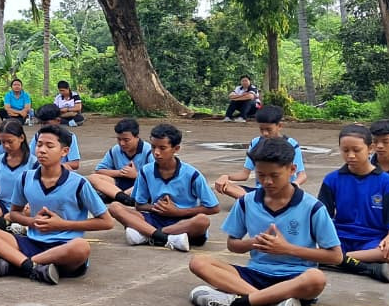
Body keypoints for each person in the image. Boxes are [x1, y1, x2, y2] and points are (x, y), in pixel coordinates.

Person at [189, 137, 342, 306]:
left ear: (292, 170)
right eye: (261, 175)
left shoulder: (313, 207)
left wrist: (287, 249)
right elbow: (232, 244)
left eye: (274, 175)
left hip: (294, 278)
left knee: (316, 278)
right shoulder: (247, 201)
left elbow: (336, 256)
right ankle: (273, 304)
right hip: (256, 274)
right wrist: (252, 243)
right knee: (199, 262)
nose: (267, 181)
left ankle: (240, 302)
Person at [0, 124, 112, 284]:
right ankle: (34, 267)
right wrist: (32, 222)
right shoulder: (25, 178)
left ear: (64, 152)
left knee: (81, 247)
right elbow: (14, 213)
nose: (42, 150)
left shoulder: (79, 184)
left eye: (49, 146)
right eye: (39, 144)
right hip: (32, 241)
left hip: (64, 246)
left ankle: (19, 264)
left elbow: (106, 222)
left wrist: (62, 224)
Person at [110, 123, 219, 252]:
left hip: (183, 222)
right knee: (115, 207)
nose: (156, 152)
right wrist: (157, 208)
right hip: (156, 218)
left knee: (202, 221)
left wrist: (176, 212)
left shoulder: (192, 174)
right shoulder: (146, 171)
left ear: (176, 149)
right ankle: (166, 238)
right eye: (153, 147)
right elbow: (139, 205)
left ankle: (149, 234)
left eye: (162, 148)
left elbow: (214, 207)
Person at [318, 124, 389, 283]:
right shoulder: (332, 179)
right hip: (340, 237)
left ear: (370, 148)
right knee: (307, 248)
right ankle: (368, 268)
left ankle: (335, 260)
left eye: (356, 150)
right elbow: (321, 218)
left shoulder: (386, 182)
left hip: (371, 239)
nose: (350, 155)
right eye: (345, 150)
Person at [213, 106, 306, 200]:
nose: (265, 133)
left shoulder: (291, 144)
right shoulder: (255, 143)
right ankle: (260, 200)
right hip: (260, 190)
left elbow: (302, 175)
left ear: (279, 126)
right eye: (261, 129)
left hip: (282, 190)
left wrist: (295, 183)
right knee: (226, 186)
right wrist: (226, 177)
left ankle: (255, 201)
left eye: (269, 129)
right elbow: (244, 174)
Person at [88, 118, 151, 208]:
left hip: (139, 184)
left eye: (126, 140)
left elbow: (156, 176)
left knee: (146, 184)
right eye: (119, 139)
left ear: (137, 137)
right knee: (92, 178)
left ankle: (116, 196)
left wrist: (135, 175)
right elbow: (99, 170)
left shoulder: (148, 150)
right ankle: (123, 198)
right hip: (119, 184)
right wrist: (121, 172)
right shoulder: (116, 150)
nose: (122, 143)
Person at [33, 104, 80, 170]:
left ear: (58, 120)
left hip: (61, 172)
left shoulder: (69, 137)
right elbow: (30, 158)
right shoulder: (38, 136)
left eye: (46, 123)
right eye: (41, 123)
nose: (42, 126)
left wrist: (53, 166)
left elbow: (75, 164)